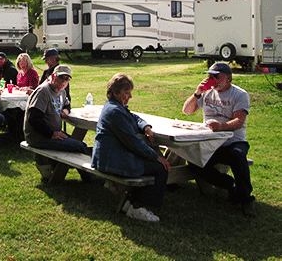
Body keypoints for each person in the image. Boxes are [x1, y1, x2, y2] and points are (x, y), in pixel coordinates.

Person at [91, 73, 170, 222]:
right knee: (160, 168)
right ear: (115, 93)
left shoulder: (115, 106)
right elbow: (133, 142)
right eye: (127, 93)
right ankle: (138, 207)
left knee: (152, 164)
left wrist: (146, 127)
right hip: (110, 161)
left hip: (111, 156)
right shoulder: (114, 111)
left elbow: (134, 117)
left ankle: (132, 202)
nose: (130, 97)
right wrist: (156, 156)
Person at [182, 62, 256, 217]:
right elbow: (187, 111)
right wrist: (197, 93)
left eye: (216, 76)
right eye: (209, 76)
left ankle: (246, 200)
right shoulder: (208, 93)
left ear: (228, 78)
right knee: (194, 161)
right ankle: (229, 184)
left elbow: (239, 122)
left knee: (238, 156)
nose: (211, 79)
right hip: (209, 141)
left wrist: (220, 127)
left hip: (232, 141)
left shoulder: (240, 95)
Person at [24, 65, 91, 181]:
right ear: (53, 76)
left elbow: (66, 103)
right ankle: (89, 177)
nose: (64, 82)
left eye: (67, 79)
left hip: (52, 133)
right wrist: (51, 134)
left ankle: (84, 174)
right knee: (79, 146)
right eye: (61, 78)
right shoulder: (43, 91)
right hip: (39, 137)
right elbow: (33, 118)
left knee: (81, 144)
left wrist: (66, 109)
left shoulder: (61, 91)